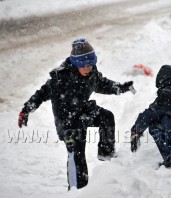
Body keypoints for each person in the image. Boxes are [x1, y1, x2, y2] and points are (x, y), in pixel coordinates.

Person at [18, 38, 134, 189]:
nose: (88, 68)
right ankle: (76, 189)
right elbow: (41, 94)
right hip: (68, 122)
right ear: (76, 64)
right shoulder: (60, 79)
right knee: (77, 154)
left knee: (106, 117)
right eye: (85, 65)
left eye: (91, 63)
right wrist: (26, 110)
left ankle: (106, 155)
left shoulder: (91, 73)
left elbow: (103, 84)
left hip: (83, 112)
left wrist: (120, 87)